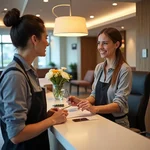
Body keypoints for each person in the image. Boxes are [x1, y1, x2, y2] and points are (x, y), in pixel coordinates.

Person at [0, 8, 68, 150]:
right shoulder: (15, 76)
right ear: (34, 39)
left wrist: (45, 115)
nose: (47, 43)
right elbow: (16, 134)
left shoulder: (28, 71)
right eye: (46, 38)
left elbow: (27, 116)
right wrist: (52, 120)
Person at [68, 27, 132, 128]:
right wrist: (81, 101)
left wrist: (95, 109)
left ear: (116, 44)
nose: (100, 47)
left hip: (117, 123)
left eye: (105, 43)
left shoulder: (124, 69)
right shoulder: (99, 68)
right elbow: (94, 95)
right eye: (98, 43)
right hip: (99, 118)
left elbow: (119, 104)